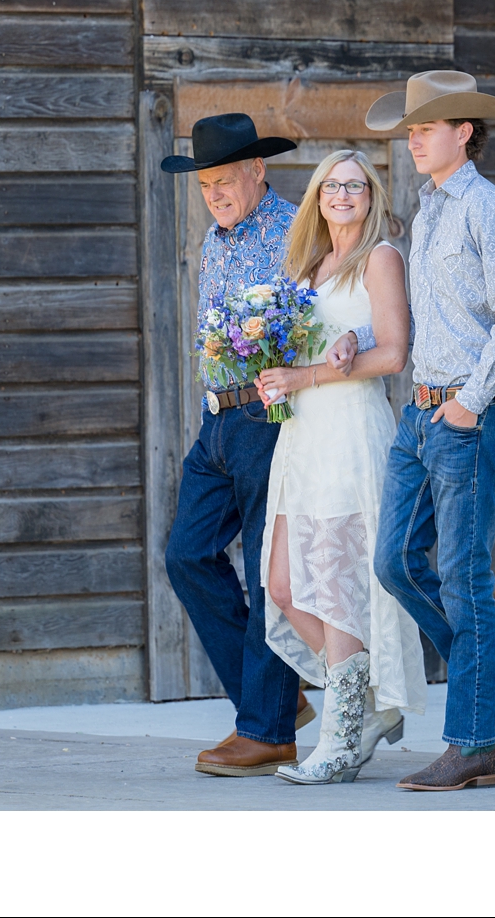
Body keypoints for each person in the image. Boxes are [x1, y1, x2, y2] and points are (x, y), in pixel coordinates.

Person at [364, 70, 495, 792]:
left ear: (464, 132)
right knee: (395, 564)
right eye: (410, 128)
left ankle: (473, 742)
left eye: (426, 127)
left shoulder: (487, 209)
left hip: (469, 413)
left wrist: (472, 400)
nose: (412, 139)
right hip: (422, 412)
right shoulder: (429, 210)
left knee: (464, 579)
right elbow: (431, 318)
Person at [160, 113, 363, 777]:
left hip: (268, 419)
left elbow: (330, 303)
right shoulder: (213, 241)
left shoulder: (293, 231)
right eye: (205, 184)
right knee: (187, 555)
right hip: (215, 421)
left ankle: (268, 729)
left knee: (266, 572)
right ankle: (273, 697)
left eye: (225, 180)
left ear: (258, 170)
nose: (214, 193)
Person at [252, 149, 427, 784]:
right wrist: (274, 369)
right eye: (332, 186)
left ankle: (338, 739)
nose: (344, 195)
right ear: (318, 199)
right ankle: (371, 705)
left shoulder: (379, 257)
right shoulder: (307, 266)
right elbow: (302, 347)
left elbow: (394, 354)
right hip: (303, 436)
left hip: (352, 433)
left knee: (336, 584)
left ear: (371, 196)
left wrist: (318, 369)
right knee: (285, 585)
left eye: (355, 185)